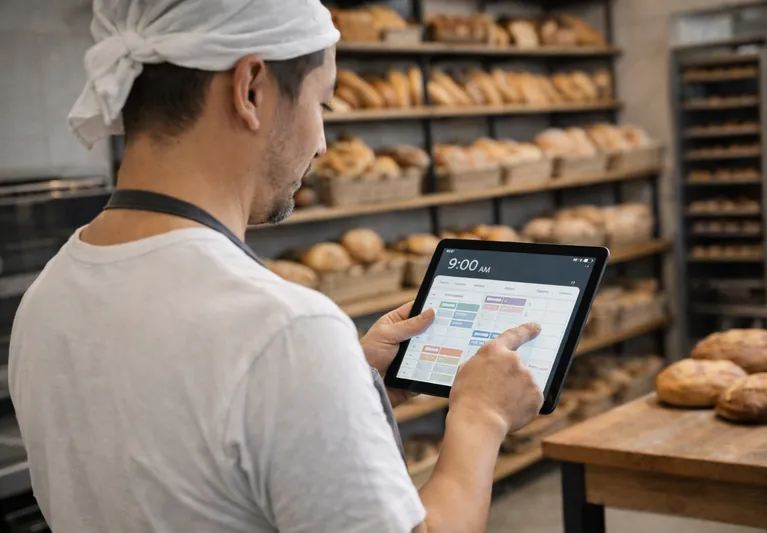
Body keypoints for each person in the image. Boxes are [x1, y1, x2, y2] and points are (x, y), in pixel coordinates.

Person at [9, 1, 544, 532]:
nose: (322, 144)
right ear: (251, 90)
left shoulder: (49, 295)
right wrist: (481, 417)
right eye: (321, 104)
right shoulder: (285, 330)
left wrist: (346, 381)